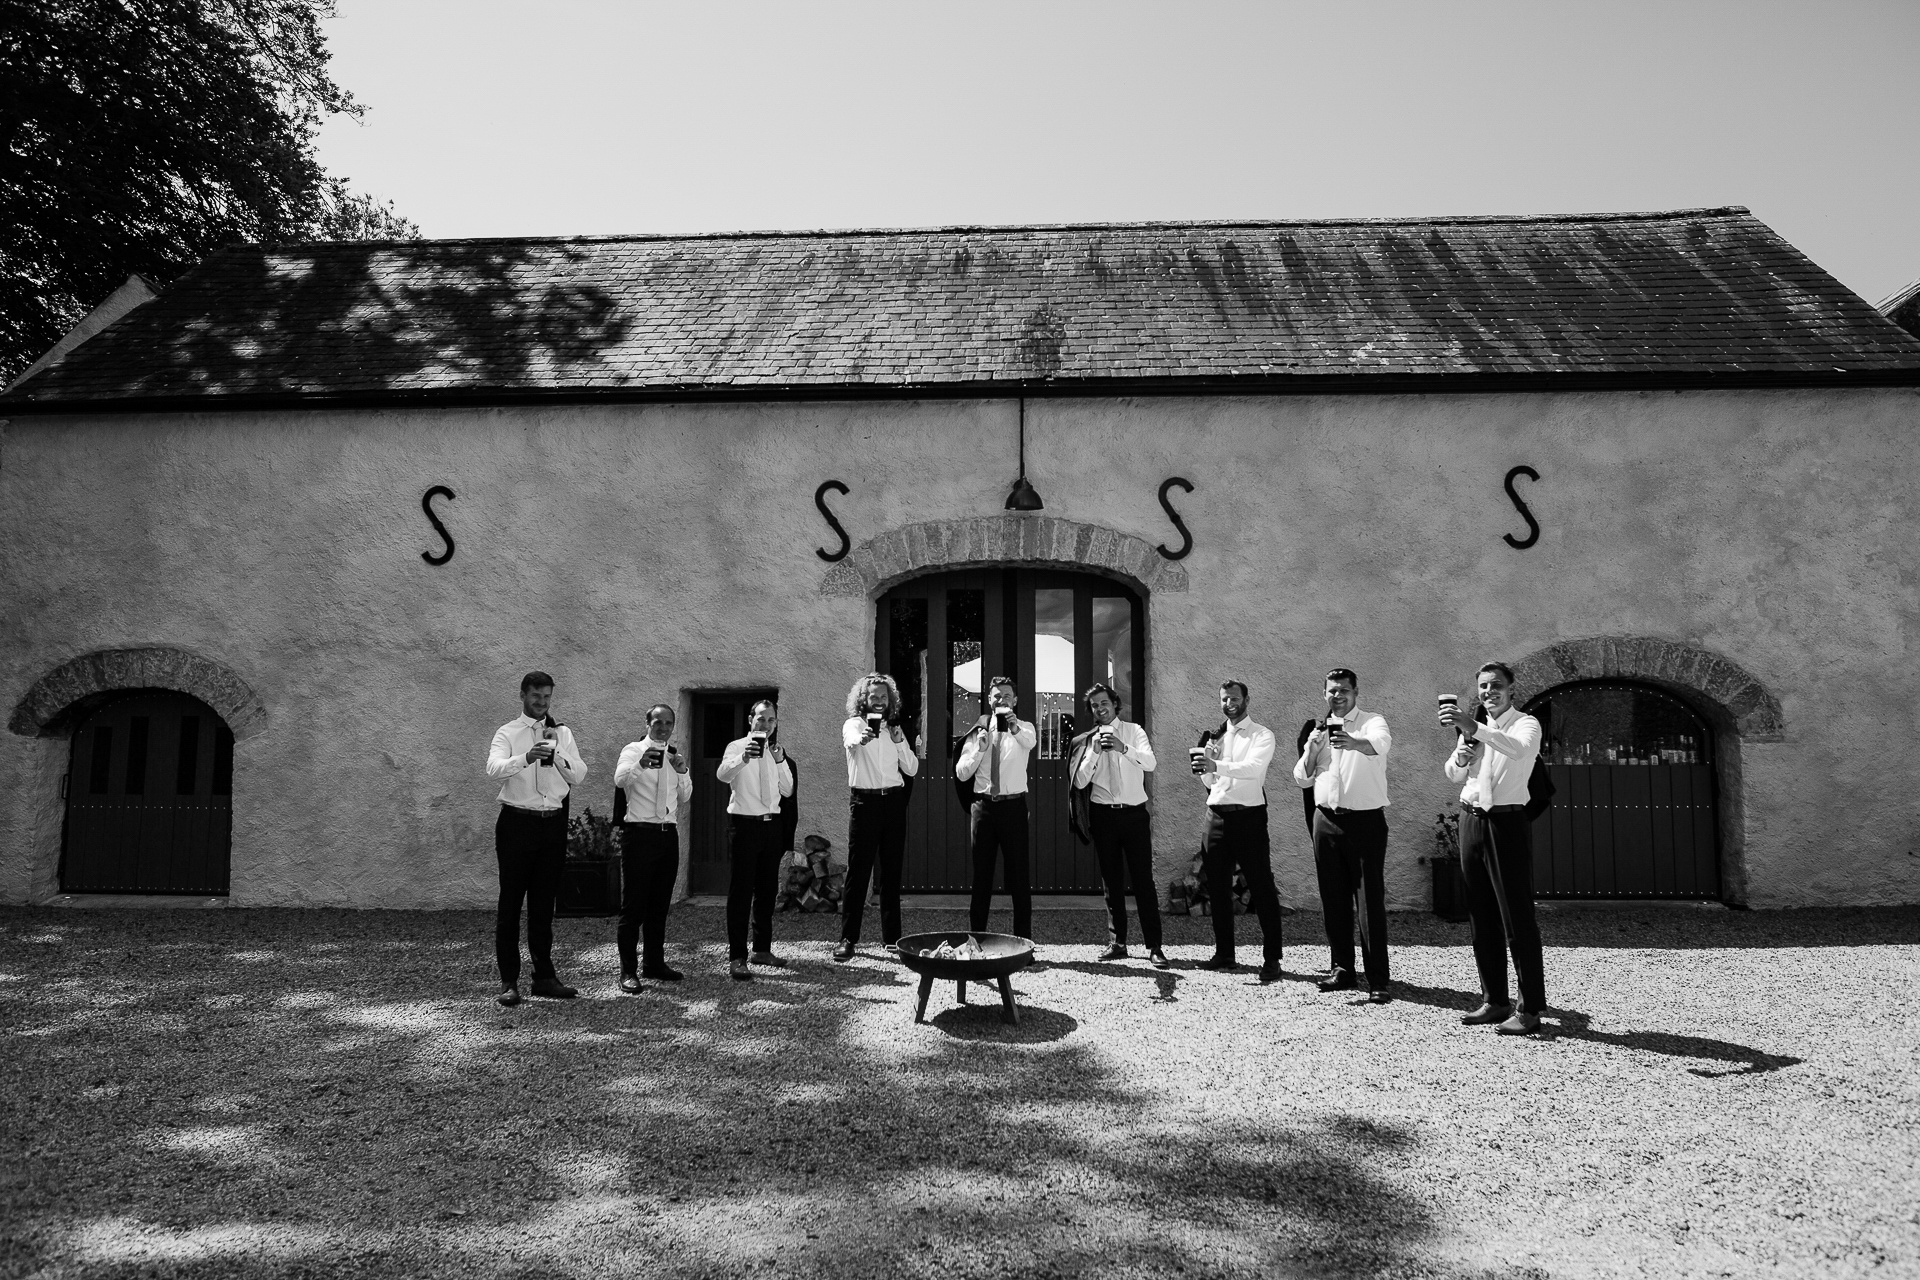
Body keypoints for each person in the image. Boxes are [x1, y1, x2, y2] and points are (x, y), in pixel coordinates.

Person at [1440, 662, 1547, 1035]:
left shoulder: (1526, 725)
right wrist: (1462, 757)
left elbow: (1518, 751)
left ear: (1511, 689)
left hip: (1506, 823)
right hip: (1471, 819)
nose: (1489, 692)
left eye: (1496, 685)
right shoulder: (1472, 729)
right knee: (1480, 915)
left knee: (1516, 917)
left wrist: (1476, 729)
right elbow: (1453, 775)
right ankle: (1494, 1000)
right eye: (1483, 687)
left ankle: (1530, 1008)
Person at [483, 671, 588, 1006]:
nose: (541, 703)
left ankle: (544, 976)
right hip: (517, 824)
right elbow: (493, 769)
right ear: (523, 695)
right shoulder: (508, 732)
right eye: (536, 696)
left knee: (544, 906)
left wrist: (556, 753)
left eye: (547, 697)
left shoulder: (562, 733)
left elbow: (580, 775)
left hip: (552, 825)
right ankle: (509, 981)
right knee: (511, 905)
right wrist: (526, 757)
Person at [1292, 668, 1394, 1002]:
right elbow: (1302, 778)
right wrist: (1311, 749)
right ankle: (1342, 970)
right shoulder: (1318, 731)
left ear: (1355, 692)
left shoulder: (1372, 721)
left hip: (1365, 822)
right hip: (1326, 821)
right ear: (1325, 694)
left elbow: (1380, 745)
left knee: (1369, 903)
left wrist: (1351, 741)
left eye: (1344, 691)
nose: (1338, 696)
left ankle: (1378, 979)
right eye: (1332, 691)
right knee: (1333, 900)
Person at [1192, 680, 1285, 981]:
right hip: (1216, 815)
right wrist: (1205, 769)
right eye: (1224, 699)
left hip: (1248, 817)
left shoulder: (1262, 734)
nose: (1229, 703)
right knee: (1217, 887)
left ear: (1247, 699)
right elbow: (1211, 784)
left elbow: (1252, 770)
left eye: (1234, 698)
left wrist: (1216, 765)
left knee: (1261, 886)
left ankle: (1272, 958)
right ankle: (1225, 953)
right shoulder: (1215, 736)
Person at [1069, 681, 1166, 967]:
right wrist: (1096, 752)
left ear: (1114, 705)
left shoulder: (1134, 731)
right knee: (1111, 882)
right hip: (1104, 816)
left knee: (1143, 881)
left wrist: (1125, 749)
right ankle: (1118, 942)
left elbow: (1150, 763)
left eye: (1104, 703)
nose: (1100, 708)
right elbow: (1080, 781)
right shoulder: (1087, 740)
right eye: (1095, 706)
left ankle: (1155, 946)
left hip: (1134, 815)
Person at [834, 673, 919, 961]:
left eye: (884, 697)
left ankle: (892, 939)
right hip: (865, 804)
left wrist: (898, 742)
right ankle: (848, 939)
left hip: (893, 803)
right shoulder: (854, 725)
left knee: (892, 873)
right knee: (858, 873)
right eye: (874, 697)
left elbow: (911, 769)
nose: (879, 701)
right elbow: (851, 743)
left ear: (890, 700)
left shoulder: (895, 729)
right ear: (864, 699)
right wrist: (863, 737)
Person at [612, 703, 692, 990]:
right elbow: (620, 779)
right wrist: (641, 764)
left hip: (667, 835)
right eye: (658, 722)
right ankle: (627, 971)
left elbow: (685, 796)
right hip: (639, 835)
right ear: (647, 723)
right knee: (633, 906)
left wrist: (682, 771)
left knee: (660, 905)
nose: (663, 728)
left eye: (668, 723)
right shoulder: (633, 750)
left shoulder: (673, 756)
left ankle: (654, 964)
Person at [715, 699, 794, 981]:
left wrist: (781, 760)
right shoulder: (736, 747)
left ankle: (762, 949)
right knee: (741, 892)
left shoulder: (776, 752)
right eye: (761, 719)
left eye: (771, 720)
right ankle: (737, 956)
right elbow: (722, 775)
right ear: (751, 720)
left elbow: (787, 791)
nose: (766, 725)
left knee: (766, 890)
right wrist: (744, 758)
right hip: (745, 826)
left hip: (770, 827)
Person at [956, 676, 1037, 943]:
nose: (1001, 699)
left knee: (1019, 877)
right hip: (984, 809)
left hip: (1013, 807)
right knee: (981, 878)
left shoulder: (1024, 728)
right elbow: (962, 773)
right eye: (996, 696)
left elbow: (1030, 743)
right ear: (989, 700)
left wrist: (1013, 727)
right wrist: (979, 749)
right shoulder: (977, 730)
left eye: (1006, 695)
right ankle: (976, 941)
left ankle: (1023, 943)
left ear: (1014, 700)